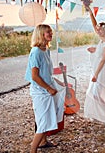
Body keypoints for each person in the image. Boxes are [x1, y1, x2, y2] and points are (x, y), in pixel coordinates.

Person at [25, 24, 66, 153]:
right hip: (40, 91)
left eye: (51, 32)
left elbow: (46, 72)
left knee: (50, 116)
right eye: (48, 32)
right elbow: (35, 76)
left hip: (48, 88)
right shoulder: (36, 52)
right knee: (43, 121)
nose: (51, 34)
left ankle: (43, 142)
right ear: (41, 34)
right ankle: (33, 150)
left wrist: (57, 82)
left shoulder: (46, 49)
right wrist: (49, 88)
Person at [83, 6, 105, 124]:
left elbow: (103, 60)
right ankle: (97, 115)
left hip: (100, 70)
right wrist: (90, 13)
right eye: (98, 29)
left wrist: (95, 74)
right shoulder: (101, 41)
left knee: (97, 93)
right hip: (96, 69)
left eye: (100, 29)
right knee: (94, 92)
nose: (98, 31)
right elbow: (94, 26)